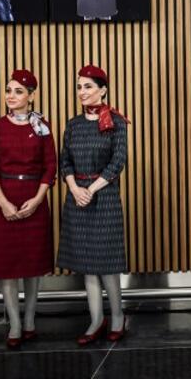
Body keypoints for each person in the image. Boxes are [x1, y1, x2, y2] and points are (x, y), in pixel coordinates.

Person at [0, 70, 56, 348]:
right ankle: (15, 324)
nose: (11, 96)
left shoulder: (42, 126)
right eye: (8, 90)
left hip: (34, 199)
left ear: (31, 96)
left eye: (19, 91)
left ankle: (31, 320)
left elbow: (50, 167)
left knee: (32, 266)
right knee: (6, 267)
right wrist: (4, 203)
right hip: (2, 201)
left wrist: (37, 199)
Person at [57, 64, 129, 344]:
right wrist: (75, 188)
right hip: (77, 197)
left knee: (108, 262)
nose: (81, 91)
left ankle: (118, 317)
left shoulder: (116, 122)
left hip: (105, 196)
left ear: (103, 90)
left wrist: (92, 188)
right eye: (78, 86)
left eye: (87, 86)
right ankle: (96, 320)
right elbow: (65, 161)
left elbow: (118, 162)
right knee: (86, 263)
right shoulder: (73, 125)